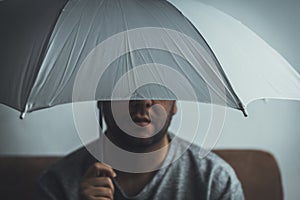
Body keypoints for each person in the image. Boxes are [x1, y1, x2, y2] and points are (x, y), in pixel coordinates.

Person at [35, 100, 244, 200]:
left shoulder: (214, 181)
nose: (144, 100)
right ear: (101, 101)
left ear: (175, 104)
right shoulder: (58, 184)